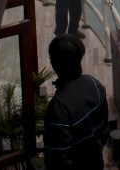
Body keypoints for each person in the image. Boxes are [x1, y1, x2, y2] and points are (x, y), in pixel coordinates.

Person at [43, 34, 110, 170]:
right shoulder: (95, 85)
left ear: (55, 64)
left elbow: (58, 158)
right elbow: (104, 130)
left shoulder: (58, 107)